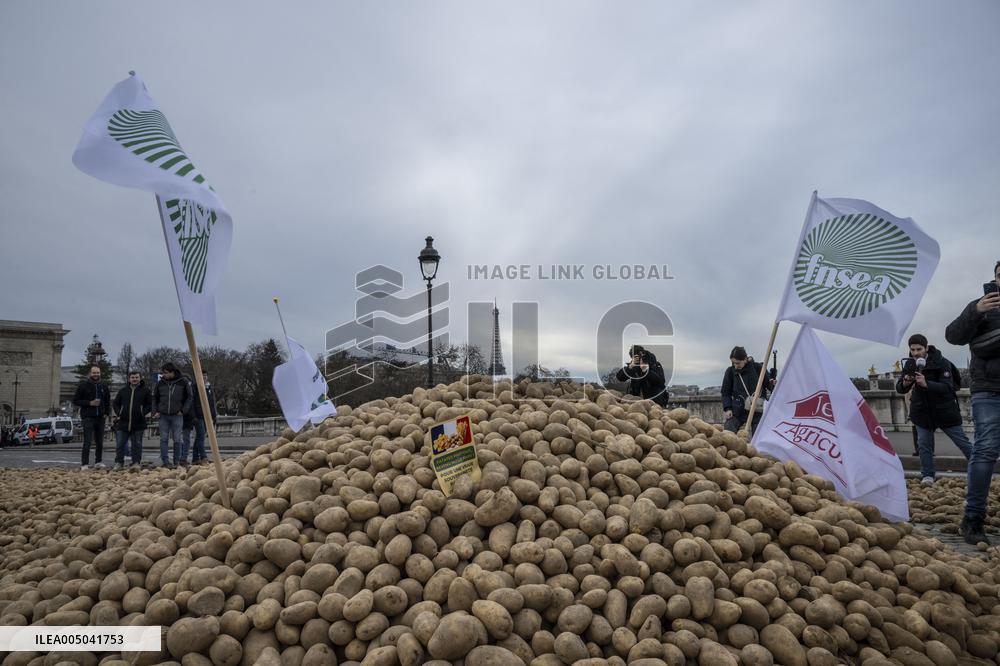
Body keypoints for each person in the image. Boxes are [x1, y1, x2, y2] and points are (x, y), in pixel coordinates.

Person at [946, 261, 1000, 545]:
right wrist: (976, 311)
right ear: (995, 279)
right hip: (989, 390)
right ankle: (973, 518)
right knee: (986, 450)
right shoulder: (982, 307)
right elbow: (953, 336)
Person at [895, 333, 972, 486]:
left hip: (945, 411)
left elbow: (948, 388)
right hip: (922, 411)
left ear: (926, 347)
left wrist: (926, 384)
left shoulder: (942, 362)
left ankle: (980, 468)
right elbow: (900, 389)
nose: (916, 353)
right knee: (924, 445)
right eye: (913, 350)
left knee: (963, 442)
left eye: (919, 349)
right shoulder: (910, 364)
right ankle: (928, 475)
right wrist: (904, 383)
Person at [152, 363, 193, 468]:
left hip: (177, 415)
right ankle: (165, 461)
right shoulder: (160, 383)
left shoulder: (183, 382)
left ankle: (176, 461)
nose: (163, 375)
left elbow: (189, 397)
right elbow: (154, 398)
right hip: (163, 415)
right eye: (163, 373)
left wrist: (183, 411)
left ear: (172, 372)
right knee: (163, 439)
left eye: (165, 373)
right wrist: (155, 411)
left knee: (177, 439)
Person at [722, 346, 771, 433]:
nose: (735, 366)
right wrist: (728, 408)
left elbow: (769, 386)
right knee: (728, 431)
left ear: (745, 359)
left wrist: (773, 384)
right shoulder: (730, 371)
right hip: (738, 410)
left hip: (757, 409)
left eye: (738, 363)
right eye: (733, 363)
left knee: (758, 436)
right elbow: (725, 392)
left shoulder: (758, 368)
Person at [112, 371, 152, 470]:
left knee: (137, 444)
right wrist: (119, 413)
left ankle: (136, 463)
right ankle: (119, 463)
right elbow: (115, 403)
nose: (134, 379)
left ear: (140, 378)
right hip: (123, 422)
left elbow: (150, 404)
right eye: (132, 377)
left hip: (138, 423)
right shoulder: (123, 391)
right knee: (120, 444)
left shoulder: (145, 391)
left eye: (136, 377)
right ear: (129, 379)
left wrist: (143, 412)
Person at [73, 366, 110, 470]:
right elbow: (76, 400)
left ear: (100, 373)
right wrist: (89, 403)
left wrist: (106, 413)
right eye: (94, 373)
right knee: (88, 441)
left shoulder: (104, 385)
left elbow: (107, 400)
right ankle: (84, 463)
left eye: (98, 373)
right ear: (90, 373)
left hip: (100, 417)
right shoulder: (83, 385)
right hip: (88, 417)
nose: (96, 375)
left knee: (100, 441)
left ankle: (98, 461)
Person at [192, 371, 218, 465]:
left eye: (205, 376)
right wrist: (194, 416)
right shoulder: (194, 387)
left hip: (207, 415)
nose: (204, 377)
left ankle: (195, 458)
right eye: (202, 376)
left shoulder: (209, 387)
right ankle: (203, 457)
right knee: (201, 436)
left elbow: (212, 402)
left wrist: (214, 416)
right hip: (199, 416)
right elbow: (193, 402)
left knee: (199, 437)